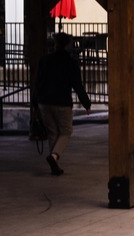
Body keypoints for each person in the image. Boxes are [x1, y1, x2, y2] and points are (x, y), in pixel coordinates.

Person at [34, 32, 92, 176]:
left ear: (55, 44)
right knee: (66, 131)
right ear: (68, 45)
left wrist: (35, 103)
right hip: (62, 102)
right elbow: (77, 84)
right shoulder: (70, 62)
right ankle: (54, 157)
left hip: (44, 101)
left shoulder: (45, 60)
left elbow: (37, 82)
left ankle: (55, 164)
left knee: (53, 132)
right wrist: (86, 103)